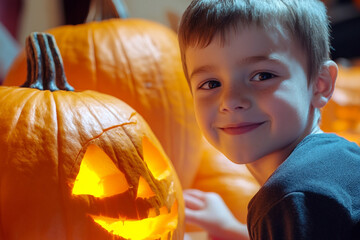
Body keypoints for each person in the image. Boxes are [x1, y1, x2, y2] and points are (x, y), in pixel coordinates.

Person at [177, 0, 360, 239]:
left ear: (320, 84)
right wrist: (229, 228)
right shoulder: (343, 156)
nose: (230, 101)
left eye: (262, 76)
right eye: (211, 83)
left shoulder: (291, 198)